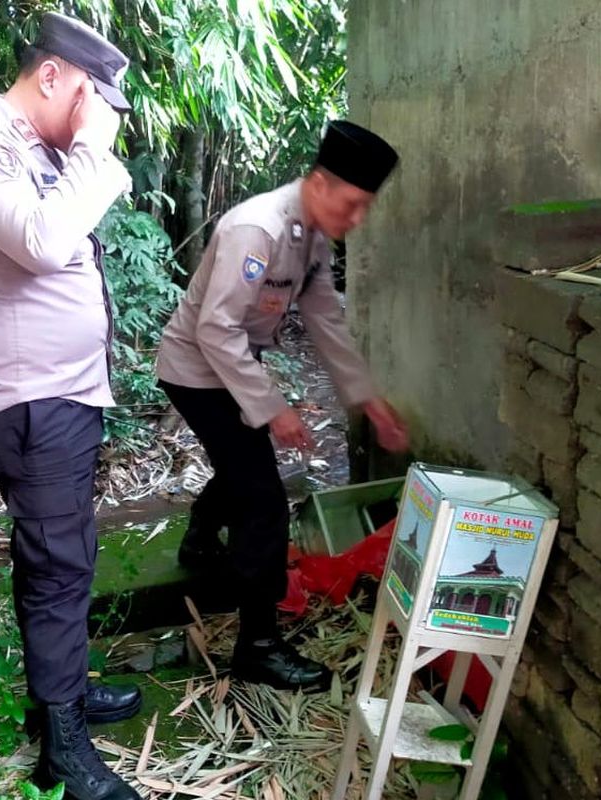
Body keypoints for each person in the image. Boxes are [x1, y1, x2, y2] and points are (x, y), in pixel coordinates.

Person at [0, 13, 142, 800]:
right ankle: (64, 750)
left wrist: (82, 147)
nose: (98, 120)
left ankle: (61, 696)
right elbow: (44, 243)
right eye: (92, 98)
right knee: (60, 564)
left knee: (57, 553)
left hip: (61, 391)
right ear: (52, 76)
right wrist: (91, 147)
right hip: (29, 398)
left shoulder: (37, 151)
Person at [155, 120, 410, 692]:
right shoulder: (258, 229)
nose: (357, 218)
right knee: (265, 500)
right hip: (195, 371)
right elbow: (215, 330)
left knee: (245, 466)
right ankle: (259, 646)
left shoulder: (311, 235)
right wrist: (273, 407)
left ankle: (200, 534)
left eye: (365, 207)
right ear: (319, 184)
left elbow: (325, 321)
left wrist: (368, 400)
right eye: (352, 203)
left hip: (231, 367)